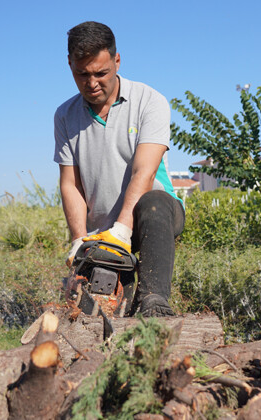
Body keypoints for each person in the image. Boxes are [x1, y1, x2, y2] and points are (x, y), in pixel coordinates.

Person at [53, 21, 184, 317]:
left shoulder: (150, 101)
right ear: (70, 64)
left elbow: (145, 173)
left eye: (101, 73)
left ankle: (154, 301)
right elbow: (69, 184)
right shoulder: (64, 115)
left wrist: (122, 232)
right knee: (99, 314)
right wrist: (79, 239)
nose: (92, 83)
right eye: (82, 74)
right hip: (102, 231)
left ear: (117, 60)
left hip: (153, 217)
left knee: (154, 203)